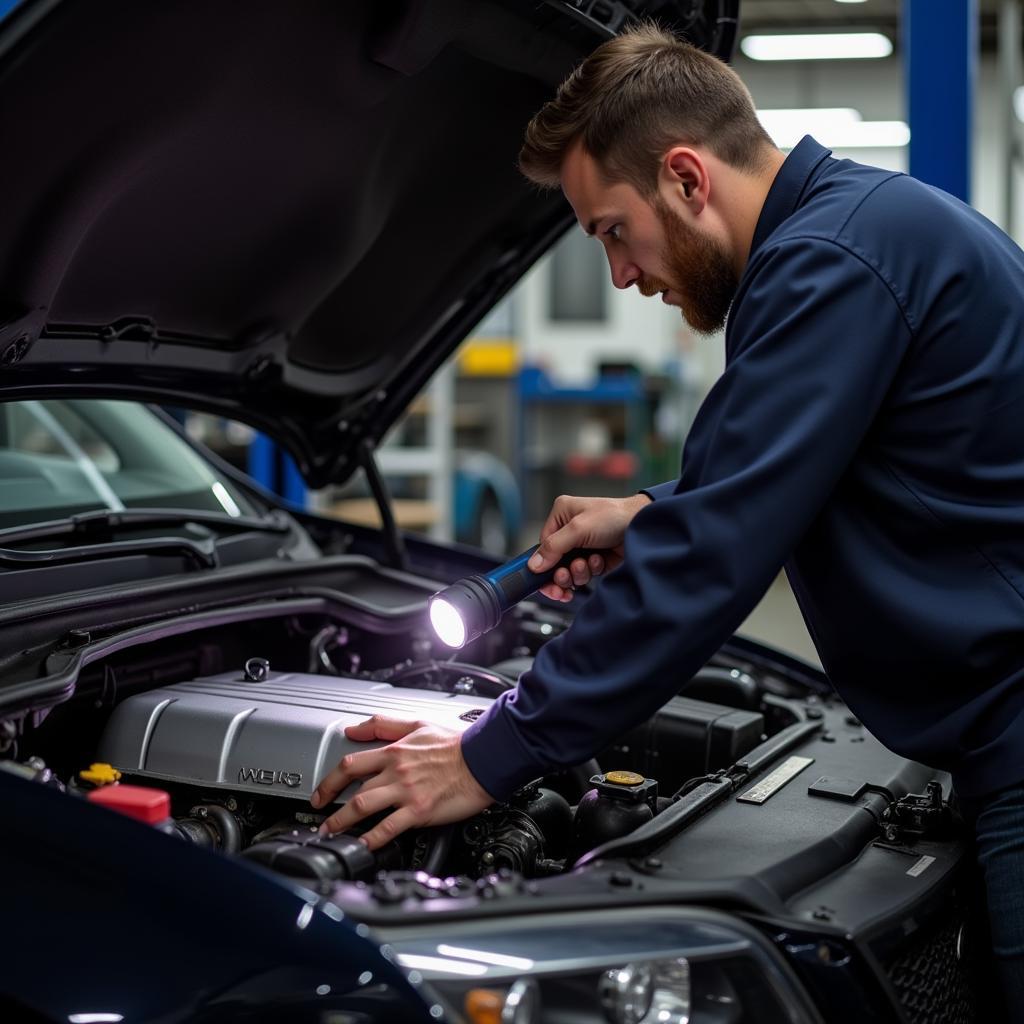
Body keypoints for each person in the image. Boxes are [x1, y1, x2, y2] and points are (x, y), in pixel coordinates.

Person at [310, 23, 1024, 1013]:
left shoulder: (827, 266)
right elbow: (797, 481)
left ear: (686, 177)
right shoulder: (858, 228)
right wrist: (647, 515)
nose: (619, 273)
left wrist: (491, 755)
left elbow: (709, 560)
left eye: (610, 229)